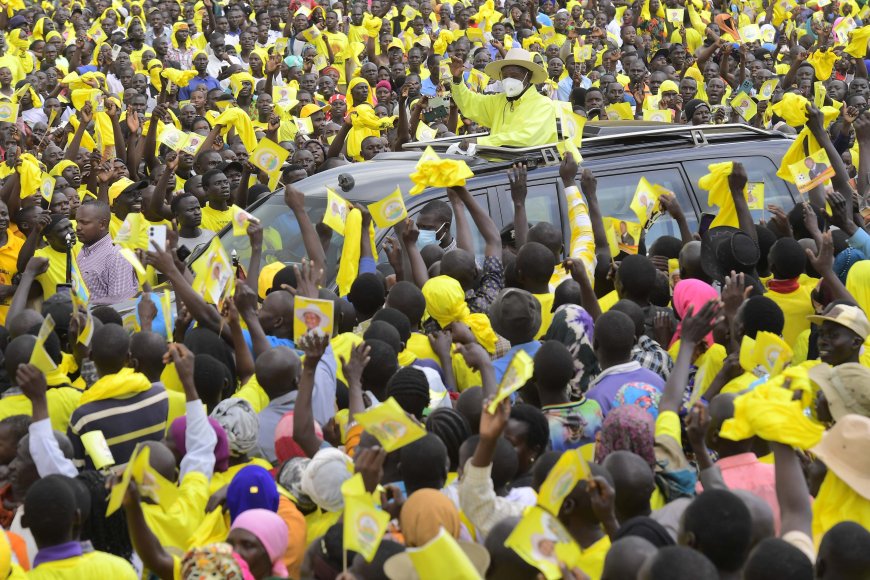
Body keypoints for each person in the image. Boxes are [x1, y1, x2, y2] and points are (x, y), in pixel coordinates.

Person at [448, 48, 557, 147]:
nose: (508, 80)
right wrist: (457, 79)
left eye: (514, 75)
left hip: (528, 165)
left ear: (527, 76)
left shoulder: (544, 104)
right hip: (496, 163)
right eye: (505, 76)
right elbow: (470, 103)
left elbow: (527, 137)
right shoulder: (499, 100)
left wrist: (481, 142)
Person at [74, 202, 139, 305]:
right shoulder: (84, 251)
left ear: (102, 225)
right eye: (77, 222)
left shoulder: (116, 257)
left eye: (84, 223)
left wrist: (86, 304)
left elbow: (120, 302)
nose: (77, 227)